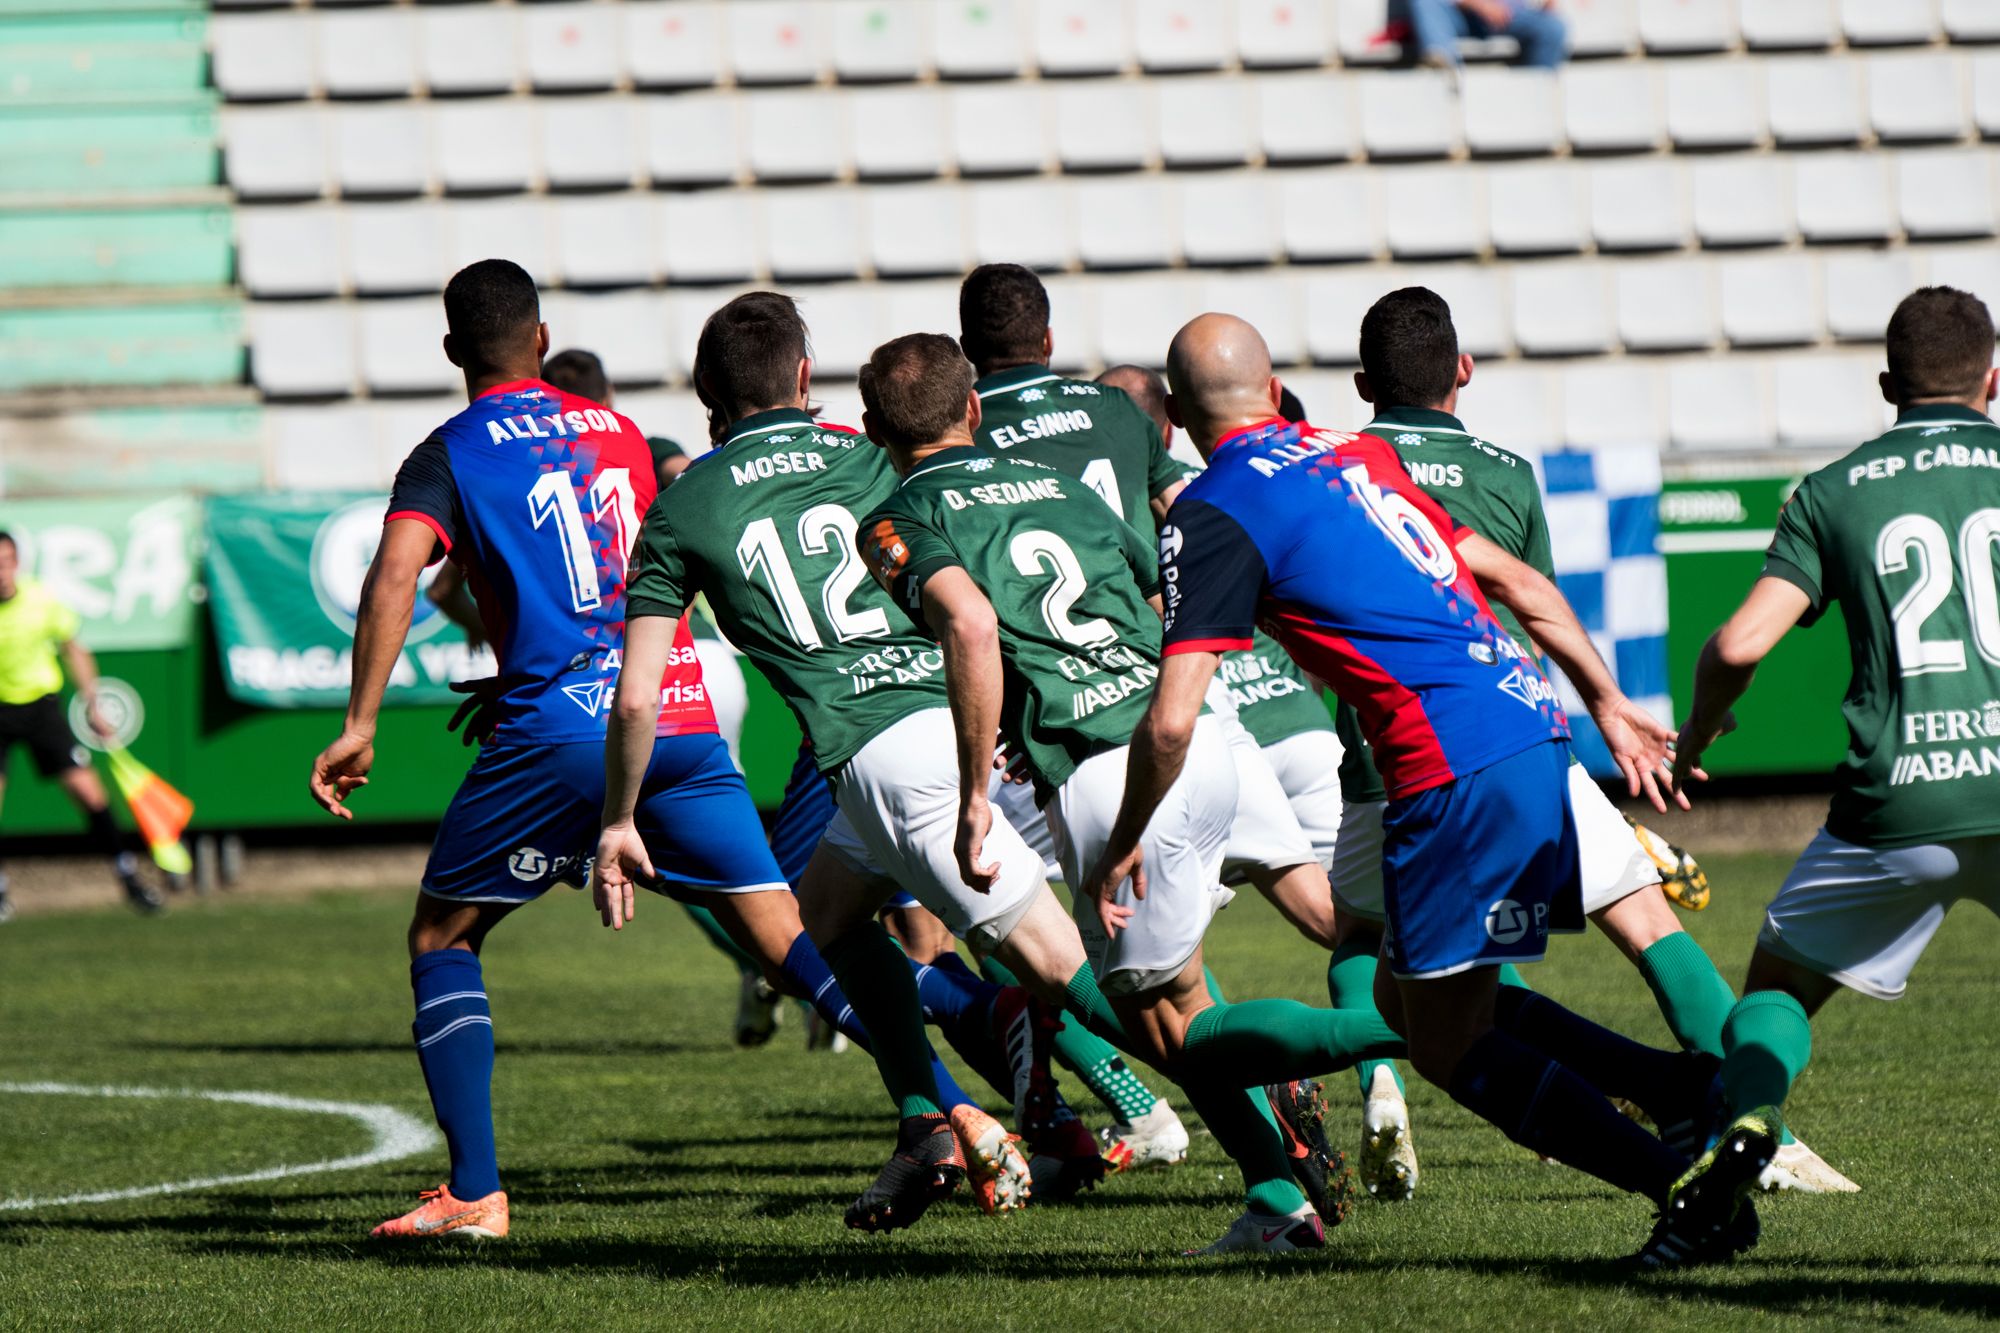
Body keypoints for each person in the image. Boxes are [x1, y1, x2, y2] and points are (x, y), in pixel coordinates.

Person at [1091, 311, 1749, 1267]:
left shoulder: (1215, 506)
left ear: (1182, 421)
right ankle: (1680, 1089)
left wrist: (1126, 836)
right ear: (1274, 390)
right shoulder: (1355, 457)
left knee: (1446, 1046)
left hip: (1449, 769)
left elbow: (1170, 720)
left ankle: (1687, 1197)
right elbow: (1515, 578)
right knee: (1416, 1005)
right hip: (1530, 731)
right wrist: (1607, 700)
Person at [308, 260, 875, 1242]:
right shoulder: (616, 430)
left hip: (560, 728)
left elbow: (396, 571)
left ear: (452, 351)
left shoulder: (448, 450)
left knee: (442, 938)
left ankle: (476, 1191)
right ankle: (950, 1098)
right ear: (539, 339)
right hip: (678, 705)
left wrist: (360, 722)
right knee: (787, 936)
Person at [856, 332, 1417, 1256]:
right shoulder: (1065, 488)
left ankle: (1412, 1040)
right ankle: (1279, 1197)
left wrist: (973, 789)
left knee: (1175, 1030)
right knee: (1260, 953)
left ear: (875, 427)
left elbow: (970, 625)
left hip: (1113, 769)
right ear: (973, 409)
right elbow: (1161, 594)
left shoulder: (894, 518)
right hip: (1200, 725)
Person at [600, 292, 1113, 1229]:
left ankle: (1253, 1081)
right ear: (804, 376)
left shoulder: (682, 504)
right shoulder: (873, 453)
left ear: (708, 390)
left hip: (888, 752)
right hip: (954, 724)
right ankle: (925, 1117)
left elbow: (638, 694)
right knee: (827, 917)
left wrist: (619, 817)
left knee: (1087, 982)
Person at [1326, 286, 1851, 1195]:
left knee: (1392, 983)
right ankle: (1771, 1131)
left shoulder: (1334, 468)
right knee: (1644, 926)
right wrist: (1600, 704)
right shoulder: (1506, 471)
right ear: (1464, 370)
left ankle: (1395, 1103)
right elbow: (1530, 605)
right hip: (1523, 734)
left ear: (1363, 381)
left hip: (1400, 763)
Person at [1672, 285, 2000, 1258]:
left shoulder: (1833, 489)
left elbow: (1737, 641)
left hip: (1897, 800)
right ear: (1991, 378)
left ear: (1886, 384)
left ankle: (1756, 1119)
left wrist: (1696, 732)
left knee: (1773, 987)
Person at [537, 346, 769, 1042]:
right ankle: (799, 953)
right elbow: (695, 484)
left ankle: (783, 960)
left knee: (662, 853)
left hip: (627, 684)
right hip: (707, 665)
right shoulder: (644, 446)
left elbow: (445, 587)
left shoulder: (539, 467)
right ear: (609, 391)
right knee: (724, 851)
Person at [0, 532, 159, 920]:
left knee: (89, 794)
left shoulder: (41, 600)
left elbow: (74, 647)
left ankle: (128, 875)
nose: (1, 570)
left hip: (41, 708)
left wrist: (93, 703)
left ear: (18, 563)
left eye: (6, 560)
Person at [1388, 0, 1566, 70]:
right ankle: (1443, 67)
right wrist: (1477, 3)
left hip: (1510, 14)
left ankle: (1532, 97)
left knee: (1552, 28)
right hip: (1455, 14)